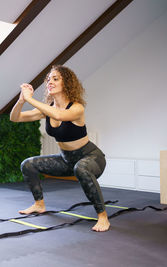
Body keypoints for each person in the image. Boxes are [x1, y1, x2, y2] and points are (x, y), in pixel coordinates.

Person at [10, 65, 110, 232]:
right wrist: (21, 100)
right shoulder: (47, 110)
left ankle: (103, 217)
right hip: (67, 160)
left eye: (55, 79)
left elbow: (59, 115)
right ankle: (39, 204)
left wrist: (29, 99)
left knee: (81, 168)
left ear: (67, 84)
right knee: (28, 164)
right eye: (49, 79)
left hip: (91, 158)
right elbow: (15, 118)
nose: (50, 82)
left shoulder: (77, 108)